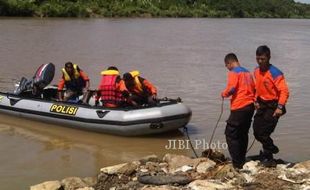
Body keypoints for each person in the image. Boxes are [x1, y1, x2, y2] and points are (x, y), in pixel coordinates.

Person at [253, 45, 289, 167]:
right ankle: (270, 150)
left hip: (274, 105)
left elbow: (284, 91)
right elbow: (257, 87)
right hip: (262, 104)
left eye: (262, 59)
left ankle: (269, 156)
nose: (260, 61)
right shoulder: (256, 71)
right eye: (258, 58)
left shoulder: (275, 73)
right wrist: (255, 100)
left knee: (264, 132)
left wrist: (279, 107)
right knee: (256, 131)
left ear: (269, 58)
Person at [221, 53, 255, 169]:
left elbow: (231, 89)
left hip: (239, 107)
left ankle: (237, 162)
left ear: (229, 63)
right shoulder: (248, 73)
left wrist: (223, 93)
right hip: (250, 107)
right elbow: (254, 89)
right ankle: (242, 158)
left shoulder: (233, 72)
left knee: (230, 134)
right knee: (243, 133)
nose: (227, 68)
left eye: (227, 66)